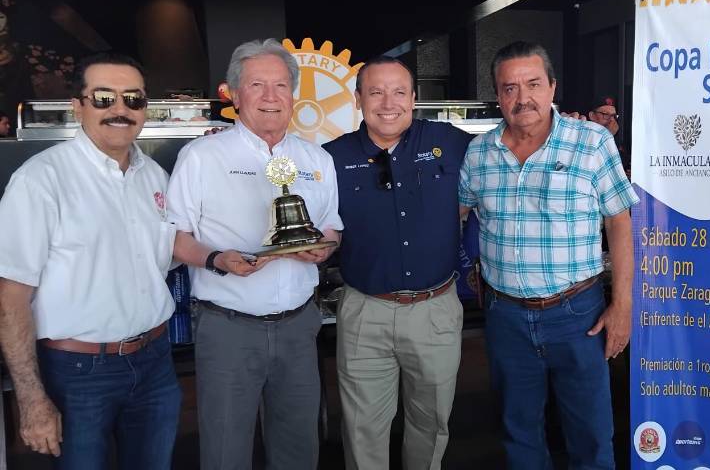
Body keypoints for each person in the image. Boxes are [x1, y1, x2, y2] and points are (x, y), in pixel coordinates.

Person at [458, 41, 638, 470]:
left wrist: (623, 305)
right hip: (506, 316)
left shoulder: (591, 142)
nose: (523, 98)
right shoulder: (479, 153)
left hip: (578, 316)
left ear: (552, 87)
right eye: (510, 88)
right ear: (498, 95)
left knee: (591, 436)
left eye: (533, 84)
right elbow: (456, 214)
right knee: (519, 433)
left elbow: (619, 222)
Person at [166, 38, 343, 470]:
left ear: (293, 95)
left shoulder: (316, 158)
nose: (270, 96)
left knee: (299, 447)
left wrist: (322, 248)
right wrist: (215, 259)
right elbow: (173, 237)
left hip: (299, 326)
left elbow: (332, 226)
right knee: (226, 451)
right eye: (257, 85)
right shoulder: (201, 156)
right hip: (228, 329)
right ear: (235, 94)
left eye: (280, 85)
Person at [0, 52, 181, 470]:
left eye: (133, 98)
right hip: (76, 371)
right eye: (103, 98)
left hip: (155, 360)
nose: (120, 109)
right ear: (77, 106)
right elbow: (10, 297)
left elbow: (167, 259)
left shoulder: (155, 177)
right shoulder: (40, 180)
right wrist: (31, 397)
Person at [322, 56, 474, 470]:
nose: (388, 103)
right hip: (365, 311)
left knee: (431, 423)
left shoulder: (451, 142)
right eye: (376, 92)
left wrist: (563, 126)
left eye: (399, 92)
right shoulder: (331, 157)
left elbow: (512, 143)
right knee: (362, 428)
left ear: (414, 98)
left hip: (435, 310)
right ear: (358, 99)